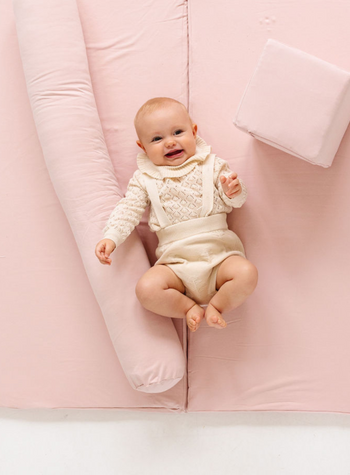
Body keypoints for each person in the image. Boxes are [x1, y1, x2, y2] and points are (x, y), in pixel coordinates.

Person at [95, 97, 258, 332]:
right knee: (146, 289)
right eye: (157, 139)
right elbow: (128, 209)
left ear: (193, 131)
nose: (170, 142)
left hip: (220, 258)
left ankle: (217, 306)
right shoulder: (144, 179)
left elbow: (236, 200)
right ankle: (188, 308)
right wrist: (111, 237)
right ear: (143, 147)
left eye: (178, 132)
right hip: (175, 266)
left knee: (246, 273)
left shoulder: (211, 165)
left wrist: (234, 190)